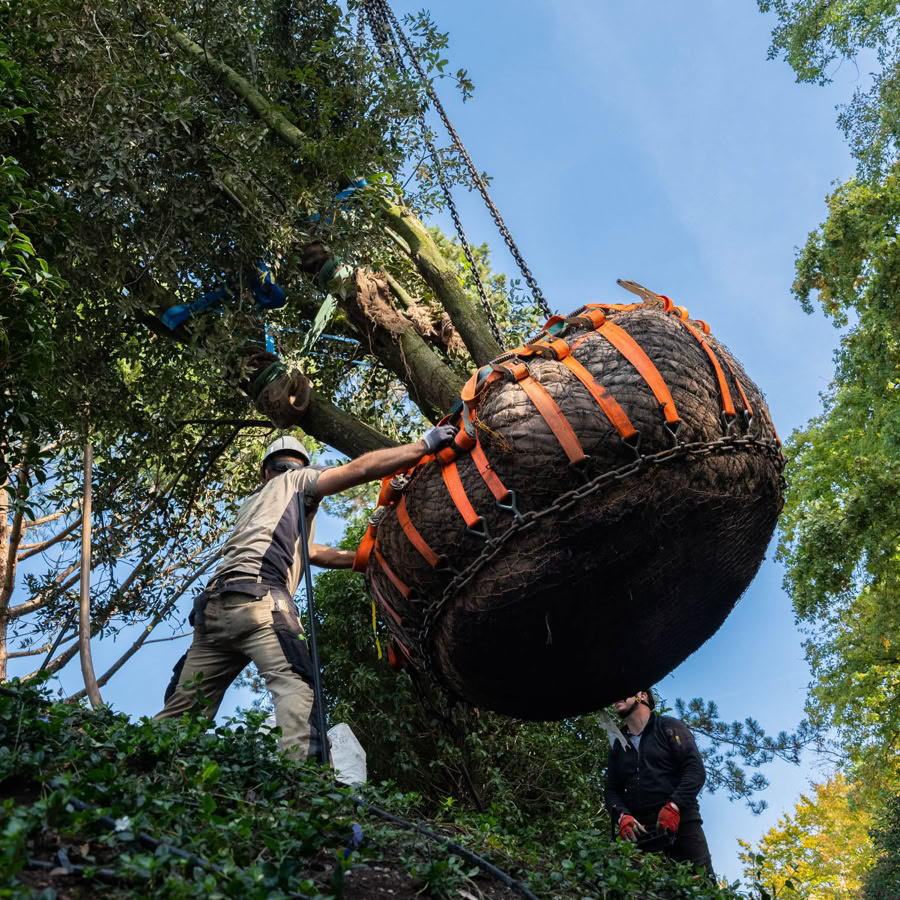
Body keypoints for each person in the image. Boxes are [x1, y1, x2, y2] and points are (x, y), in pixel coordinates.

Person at [155, 426, 457, 761]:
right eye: (289, 467)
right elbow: (359, 470)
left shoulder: (254, 505)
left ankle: (143, 765)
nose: (291, 472)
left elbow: (310, 551)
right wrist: (422, 446)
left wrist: (363, 559)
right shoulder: (296, 481)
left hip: (213, 612)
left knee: (184, 708)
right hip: (261, 602)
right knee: (298, 687)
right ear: (278, 471)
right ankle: (305, 785)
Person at [604, 688, 714, 877]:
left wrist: (675, 805)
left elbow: (695, 770)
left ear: (643, 696)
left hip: (682, 825)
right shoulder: (618, 744)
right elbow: (612, 789)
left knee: (701, 885)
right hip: (640, 833)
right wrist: (622, 816)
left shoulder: (669, 727)